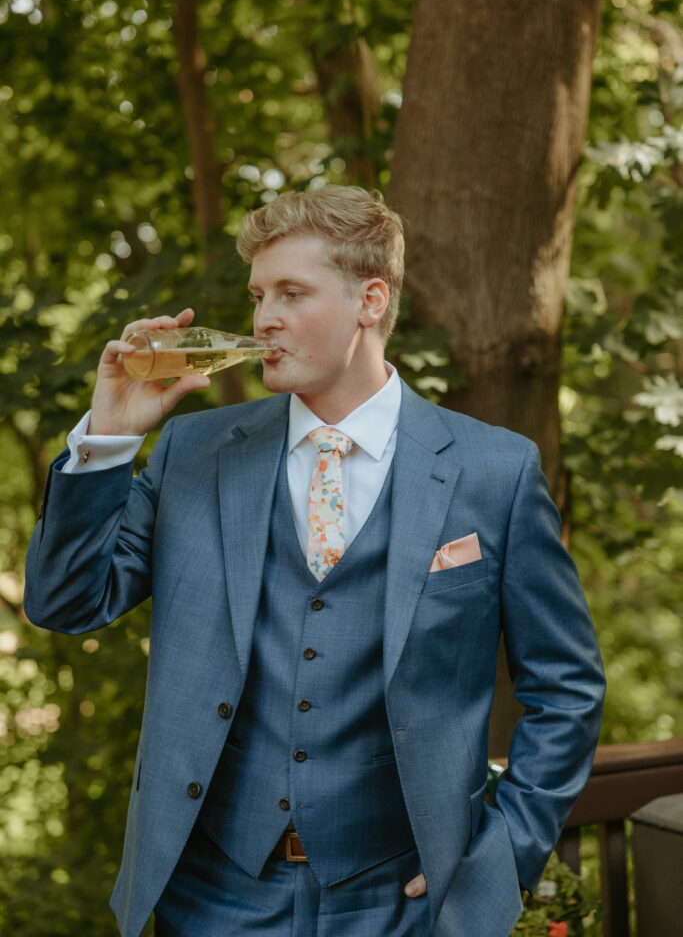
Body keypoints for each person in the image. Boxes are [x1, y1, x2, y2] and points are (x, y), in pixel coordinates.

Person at [24, 185, 605, 937]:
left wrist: (500, 854)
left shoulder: (493, 472)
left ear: (370, 300)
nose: (264, 317)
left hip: (403, 902)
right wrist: (107, 438)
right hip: (210, 897)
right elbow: (66, 601)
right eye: (259, 294)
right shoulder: (195, 454)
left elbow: (566, 690)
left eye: (292, 293)